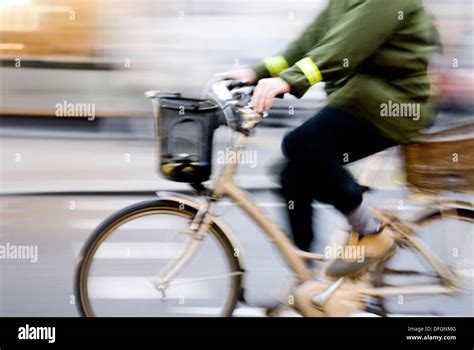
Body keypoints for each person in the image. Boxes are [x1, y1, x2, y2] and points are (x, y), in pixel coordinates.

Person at [227, 0, 437, 278]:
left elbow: (344, 48)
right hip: (359, 100)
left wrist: (290, 80)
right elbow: (309, 43)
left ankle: (371, 231)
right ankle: (305, 277)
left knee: (300, 144)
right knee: (292, 175)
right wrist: (257, 72)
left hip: (393, 107)